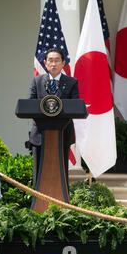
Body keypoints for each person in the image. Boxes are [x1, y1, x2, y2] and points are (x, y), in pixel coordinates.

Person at [28, 48, 79, 192]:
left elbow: (75, 105)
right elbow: (30, 104)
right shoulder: (37, 81)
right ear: (45, 63)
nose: (53, 64)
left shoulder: (71, 82)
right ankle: (38, 204)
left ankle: (62, 204)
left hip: (62, 134)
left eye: (57, 60)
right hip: (40, 134)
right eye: (50, 60)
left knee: (60, 172)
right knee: (39, 173)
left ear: (63, 63)